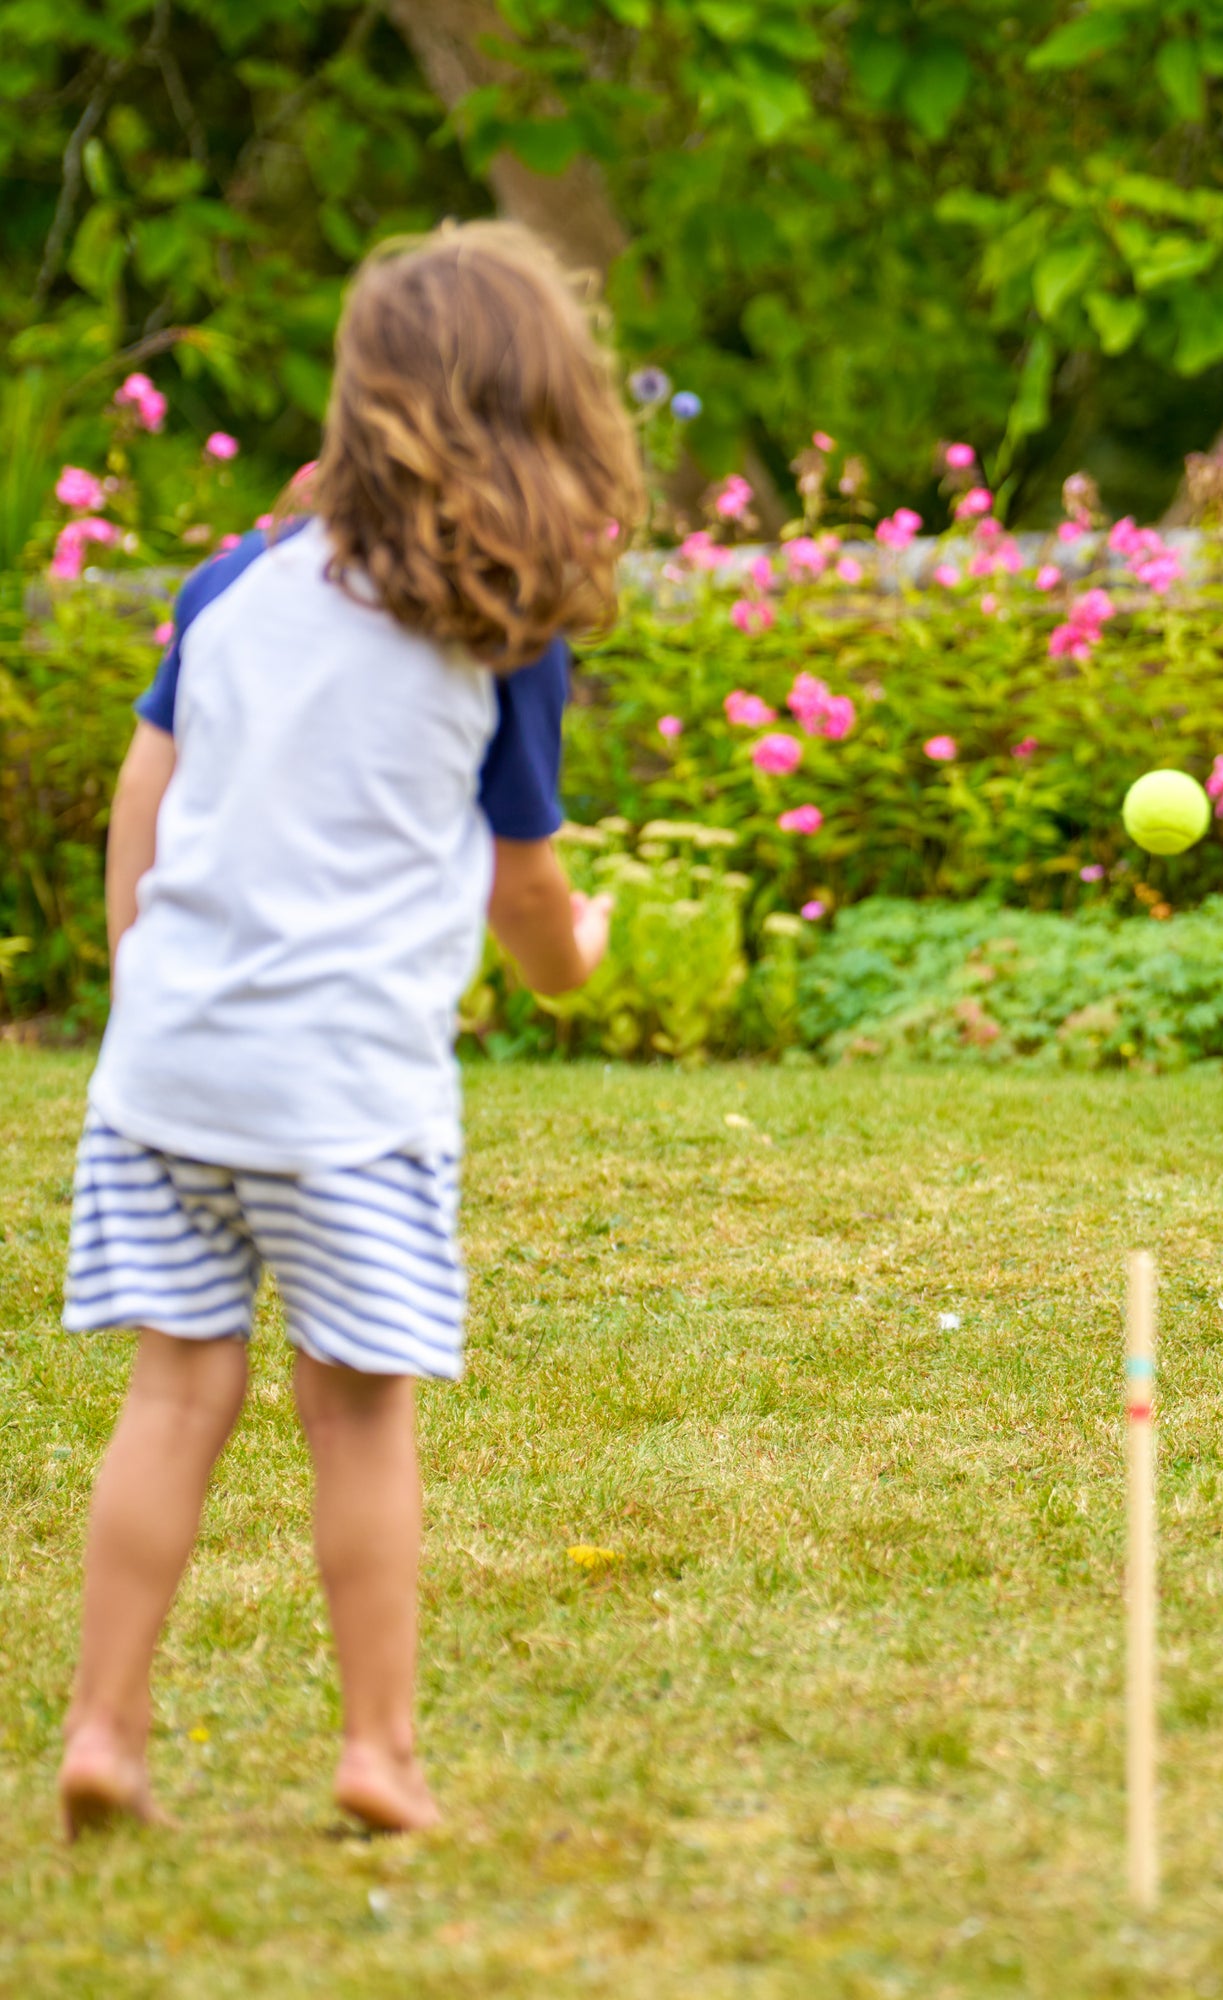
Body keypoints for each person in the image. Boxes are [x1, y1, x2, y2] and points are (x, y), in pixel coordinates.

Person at [56, 221, 641, 1838]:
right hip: (347, 1101)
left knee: (175, 1392)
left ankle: (104, 1729)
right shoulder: (502, 627)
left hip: (168, 1070)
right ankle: (378, 1751)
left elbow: (144, 796)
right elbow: (529, 898)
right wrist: (579, 957)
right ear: (542, 412)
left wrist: (144, 979)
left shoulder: (231, 588)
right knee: (359, 1408)